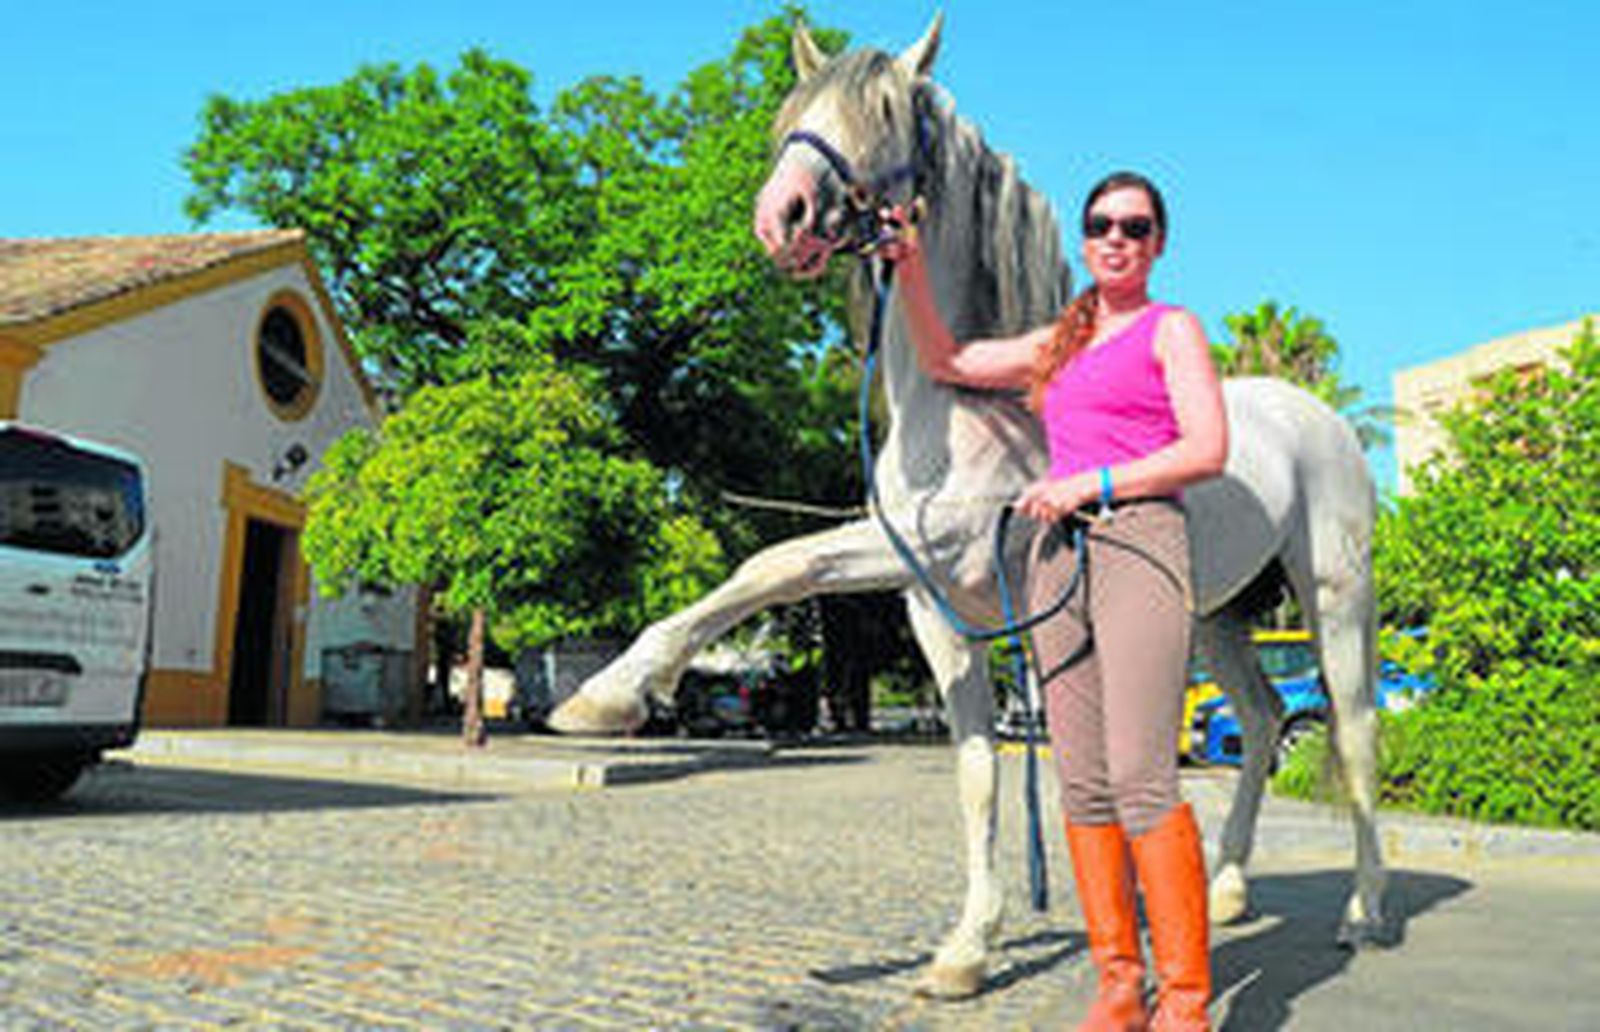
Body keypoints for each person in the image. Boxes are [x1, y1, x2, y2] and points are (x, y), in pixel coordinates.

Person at [883, 171, 1227, 1031]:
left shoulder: (1172, 329)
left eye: (1135, 227)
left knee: (1141, 775)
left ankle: (1185, 1003)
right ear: (1085, 239)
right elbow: (946, 361)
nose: (1117, 238)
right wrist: (910, 263)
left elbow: (1208, 448)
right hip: (1055, 559)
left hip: (1139, 539)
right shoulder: (1061, 340)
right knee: (1082, 779)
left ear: (1157, 244)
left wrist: (1092, 483)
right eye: (1102, 224)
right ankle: (1120, 987)